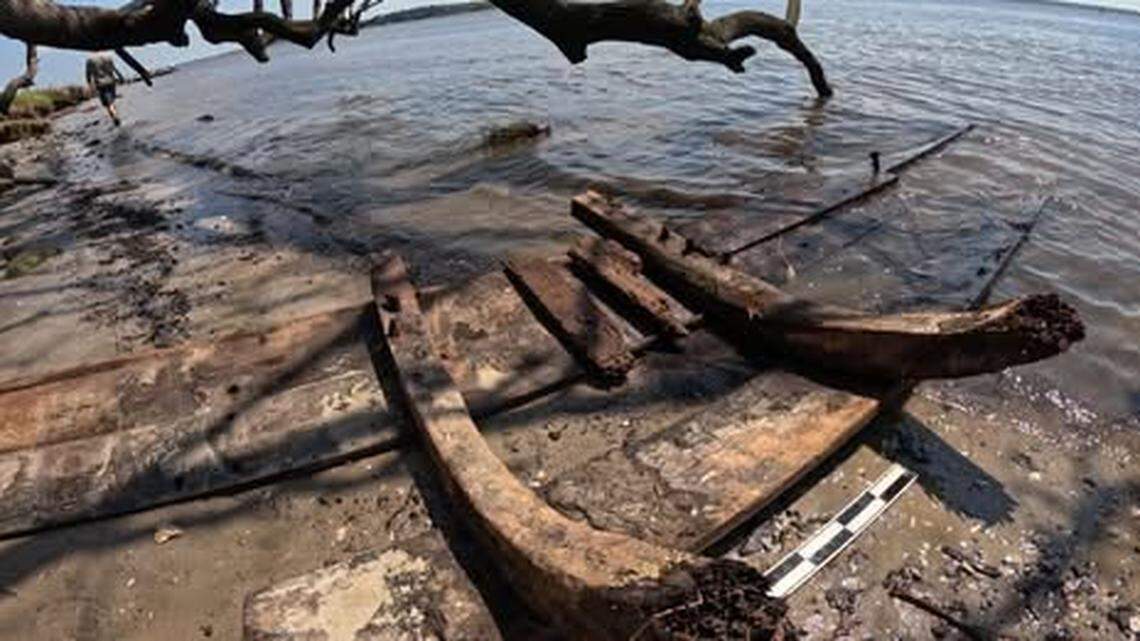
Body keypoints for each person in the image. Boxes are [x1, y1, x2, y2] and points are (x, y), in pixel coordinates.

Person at [85, 54, 126, 126]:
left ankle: (115, 117)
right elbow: (114, 69)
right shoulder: (108, 57)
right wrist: (120, 77)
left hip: (100, 84)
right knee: (111, 101)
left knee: (108, 104)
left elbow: (88, 75)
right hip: (111, 82)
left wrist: (90, 86)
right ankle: (115, 116)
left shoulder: (90, 61)